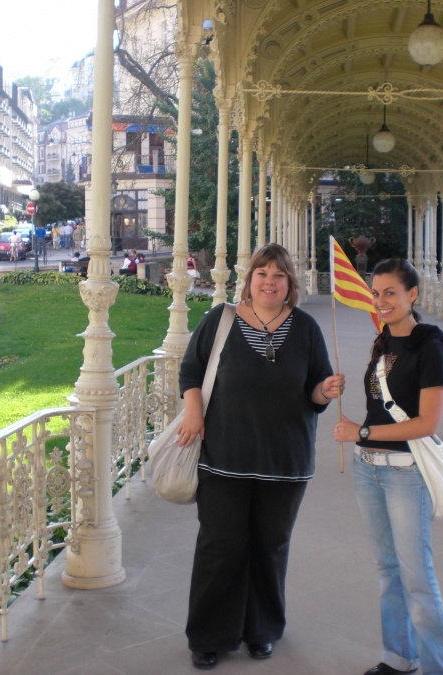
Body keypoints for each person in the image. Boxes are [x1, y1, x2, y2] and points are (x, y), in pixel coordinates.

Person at [177, 243, 344, 670]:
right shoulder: (221, 319)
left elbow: (315, 389)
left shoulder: (306, 328)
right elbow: (191, 370)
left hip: (285, 463)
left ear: (290, 284)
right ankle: (209, 636)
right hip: (223, 457)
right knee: (220, 546)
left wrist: (325, 391)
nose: (270, 282)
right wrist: (194, 412)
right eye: (262, 273)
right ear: (250, 279)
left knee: (270, 548)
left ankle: (261, 630)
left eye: (279, 275)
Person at [333, 259, 443, 675]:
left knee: (417, 578)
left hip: (406, 472)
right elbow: (383, 408)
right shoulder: (383, 341)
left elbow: (426, 424)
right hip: (368, 468)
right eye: (376, 292)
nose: (381, 300)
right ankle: (399, 657)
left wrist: (361, 432)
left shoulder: (430, 345)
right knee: (388, 569)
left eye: (390, 292)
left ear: (412, 294)